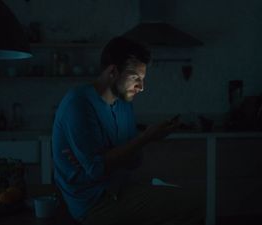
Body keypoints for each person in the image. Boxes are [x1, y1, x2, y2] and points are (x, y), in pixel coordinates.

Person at [52, 36, 205, 225]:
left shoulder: (123, 104)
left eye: (142, 79)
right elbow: (97, 170)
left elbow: (134, 162)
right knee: (195, 203)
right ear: (113, 71)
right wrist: (145, 138)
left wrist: (107, 157)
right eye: (135, 78)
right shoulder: (78, 103)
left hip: (121, 188)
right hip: (92, 202)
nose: (141, 87)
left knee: (185, 198)